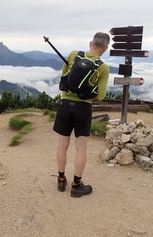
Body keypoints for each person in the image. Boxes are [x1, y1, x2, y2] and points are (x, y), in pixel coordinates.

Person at [53, 32, 110, 197]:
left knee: (62, 145)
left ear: (90, 43)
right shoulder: (103, 67)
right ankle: (76, 185)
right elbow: (100, 96)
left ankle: (61, 180)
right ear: (105, 49)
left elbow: (64, 79)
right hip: (82, 109)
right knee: (81, 148)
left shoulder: (73, 55)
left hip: (64, 105)